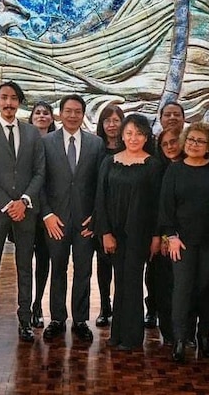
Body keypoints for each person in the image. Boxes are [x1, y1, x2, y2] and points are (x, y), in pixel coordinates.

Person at [0, 81, 46, 345]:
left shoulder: (32, 134)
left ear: (19, 102)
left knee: (25, 267)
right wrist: (7, 204)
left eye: (13, 98)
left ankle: (25, 321)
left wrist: (24, 201)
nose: (8, 103)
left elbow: (40, 171)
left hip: (26, 211)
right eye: (4, 98)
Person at [94, 114, 164, 351]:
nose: (134, 138)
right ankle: (117, 334)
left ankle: (132, 337)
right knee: (120, 281)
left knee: (133, 282)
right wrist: (104, 232)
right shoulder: (109, 162)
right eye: (129, 133)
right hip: (114, 233)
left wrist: (156, 236)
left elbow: (157, 205)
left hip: (140, 234)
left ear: (146, 137)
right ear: (122, 135)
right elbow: (100, 200)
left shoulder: (153, 165)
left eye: (139, 133)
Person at [40, 95, 105, 343]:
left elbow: (102, 184)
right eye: (68, 111)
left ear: (83, 115)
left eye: (78, 111)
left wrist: (96, 217)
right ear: (60, 113)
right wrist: (46, 214)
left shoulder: (96, 144)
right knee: (57, 269)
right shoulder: (46, 143)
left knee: (83, 271)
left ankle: (80, 320)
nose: (72, 115)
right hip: (55, 221)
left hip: (85, 223)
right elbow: (40, 182)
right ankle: (57, 319)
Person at [160, 122, 209, 363]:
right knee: (182, 290)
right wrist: (172, 237)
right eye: (190, 140)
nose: (194, 144)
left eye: (199, 141)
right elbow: (166, 208)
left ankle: (204, 336)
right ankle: (180, 339)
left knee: (206, 291)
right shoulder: (174, 170)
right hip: (182, 242)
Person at [145, 103, 185, 329]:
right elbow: (154, 204)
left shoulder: (195, 160)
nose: (171, 118)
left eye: (176, 114)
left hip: (187, 232)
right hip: (160, 231)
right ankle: (155, 313)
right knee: (157, 277)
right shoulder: (155, 164)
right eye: (167, 114)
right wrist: (159, 235)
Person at [93, 104, 124, 327]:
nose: (112, 124)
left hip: (126, 217)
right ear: (102, 124)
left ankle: (125, 307)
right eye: (107, 120)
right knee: (103, 266)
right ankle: (105, 306)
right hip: (101, 215)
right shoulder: (96, 150)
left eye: (116, 120)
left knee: (125, 267)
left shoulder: (133, 147)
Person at [28, 100, 55, 328]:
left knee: (44, 260)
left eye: (46, 113)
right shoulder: (23, 141)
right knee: (25, 261)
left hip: (48, 213)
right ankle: (25, 305)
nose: (42, 116)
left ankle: (37, 305)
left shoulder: (56, 143)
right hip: (25, 210)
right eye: (37, 112)